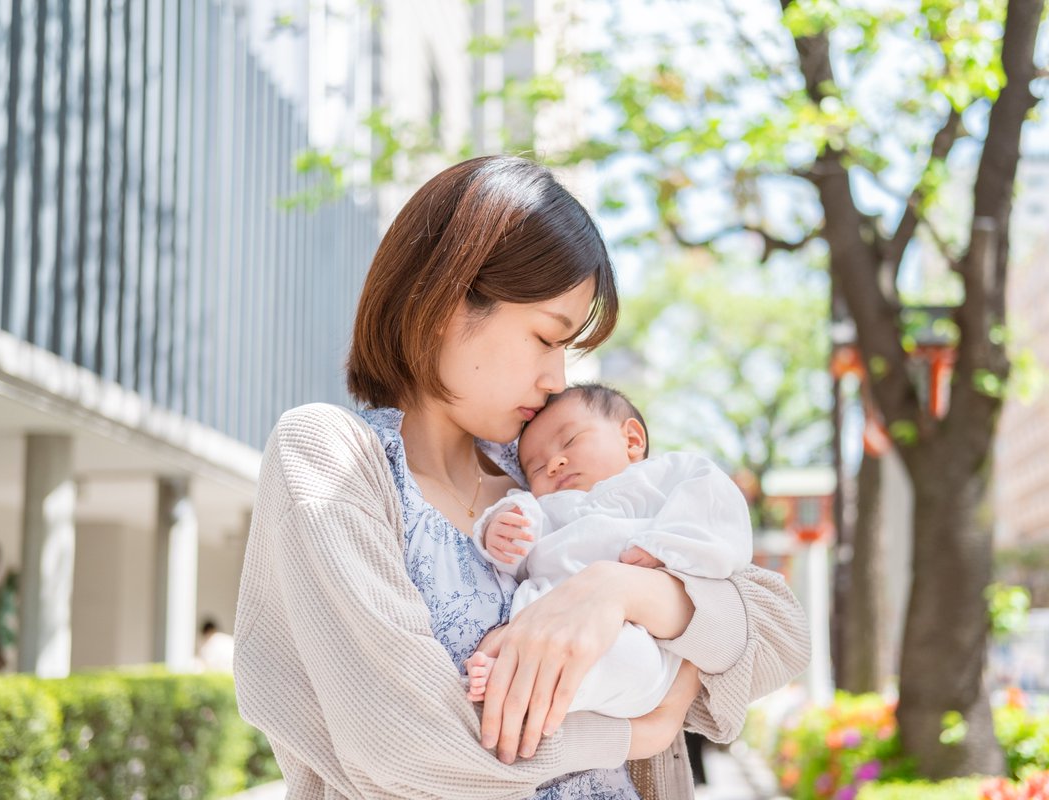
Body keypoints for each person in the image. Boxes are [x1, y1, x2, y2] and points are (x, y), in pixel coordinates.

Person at [232, 155, 811, 800]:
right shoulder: (335, 459)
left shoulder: (546, 473)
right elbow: (406, 745)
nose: (557, 380)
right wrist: (639, 729)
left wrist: (614, 591)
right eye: (545, 337)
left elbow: (777, 632)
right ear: (446, 299)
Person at [465, 384, 753, 721]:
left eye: (570, 441)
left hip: (635, 630)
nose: (554, 464)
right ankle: (520, 675)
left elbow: (715, 510)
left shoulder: (660, 479)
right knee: (527, 621)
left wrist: (665, 548)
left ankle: (541, 689)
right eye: (537, 468)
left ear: (631, 440)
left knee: (636, 664)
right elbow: (516, 544)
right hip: (547, 611)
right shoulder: (547, 508)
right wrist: (500, 529)